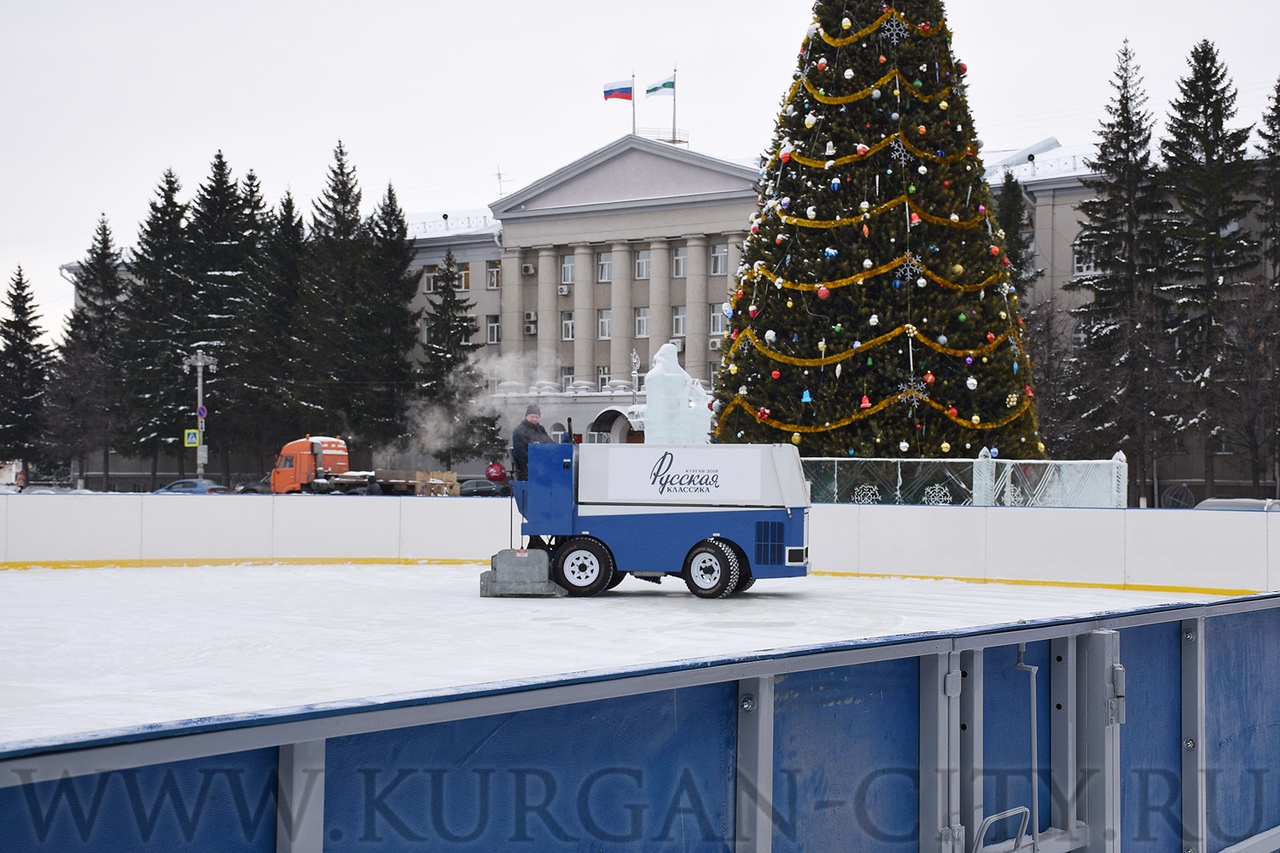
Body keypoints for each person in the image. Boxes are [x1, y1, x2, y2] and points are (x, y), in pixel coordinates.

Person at [511, 404, 554, 480]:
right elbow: (520, 452)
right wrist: (536, 460)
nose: (534, 419)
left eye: (536, 417)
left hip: (543, 467)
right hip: (527, 470)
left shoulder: (540, 430)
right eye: (532, 416)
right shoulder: (519, 431)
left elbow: (550, 443)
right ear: (526, 416)